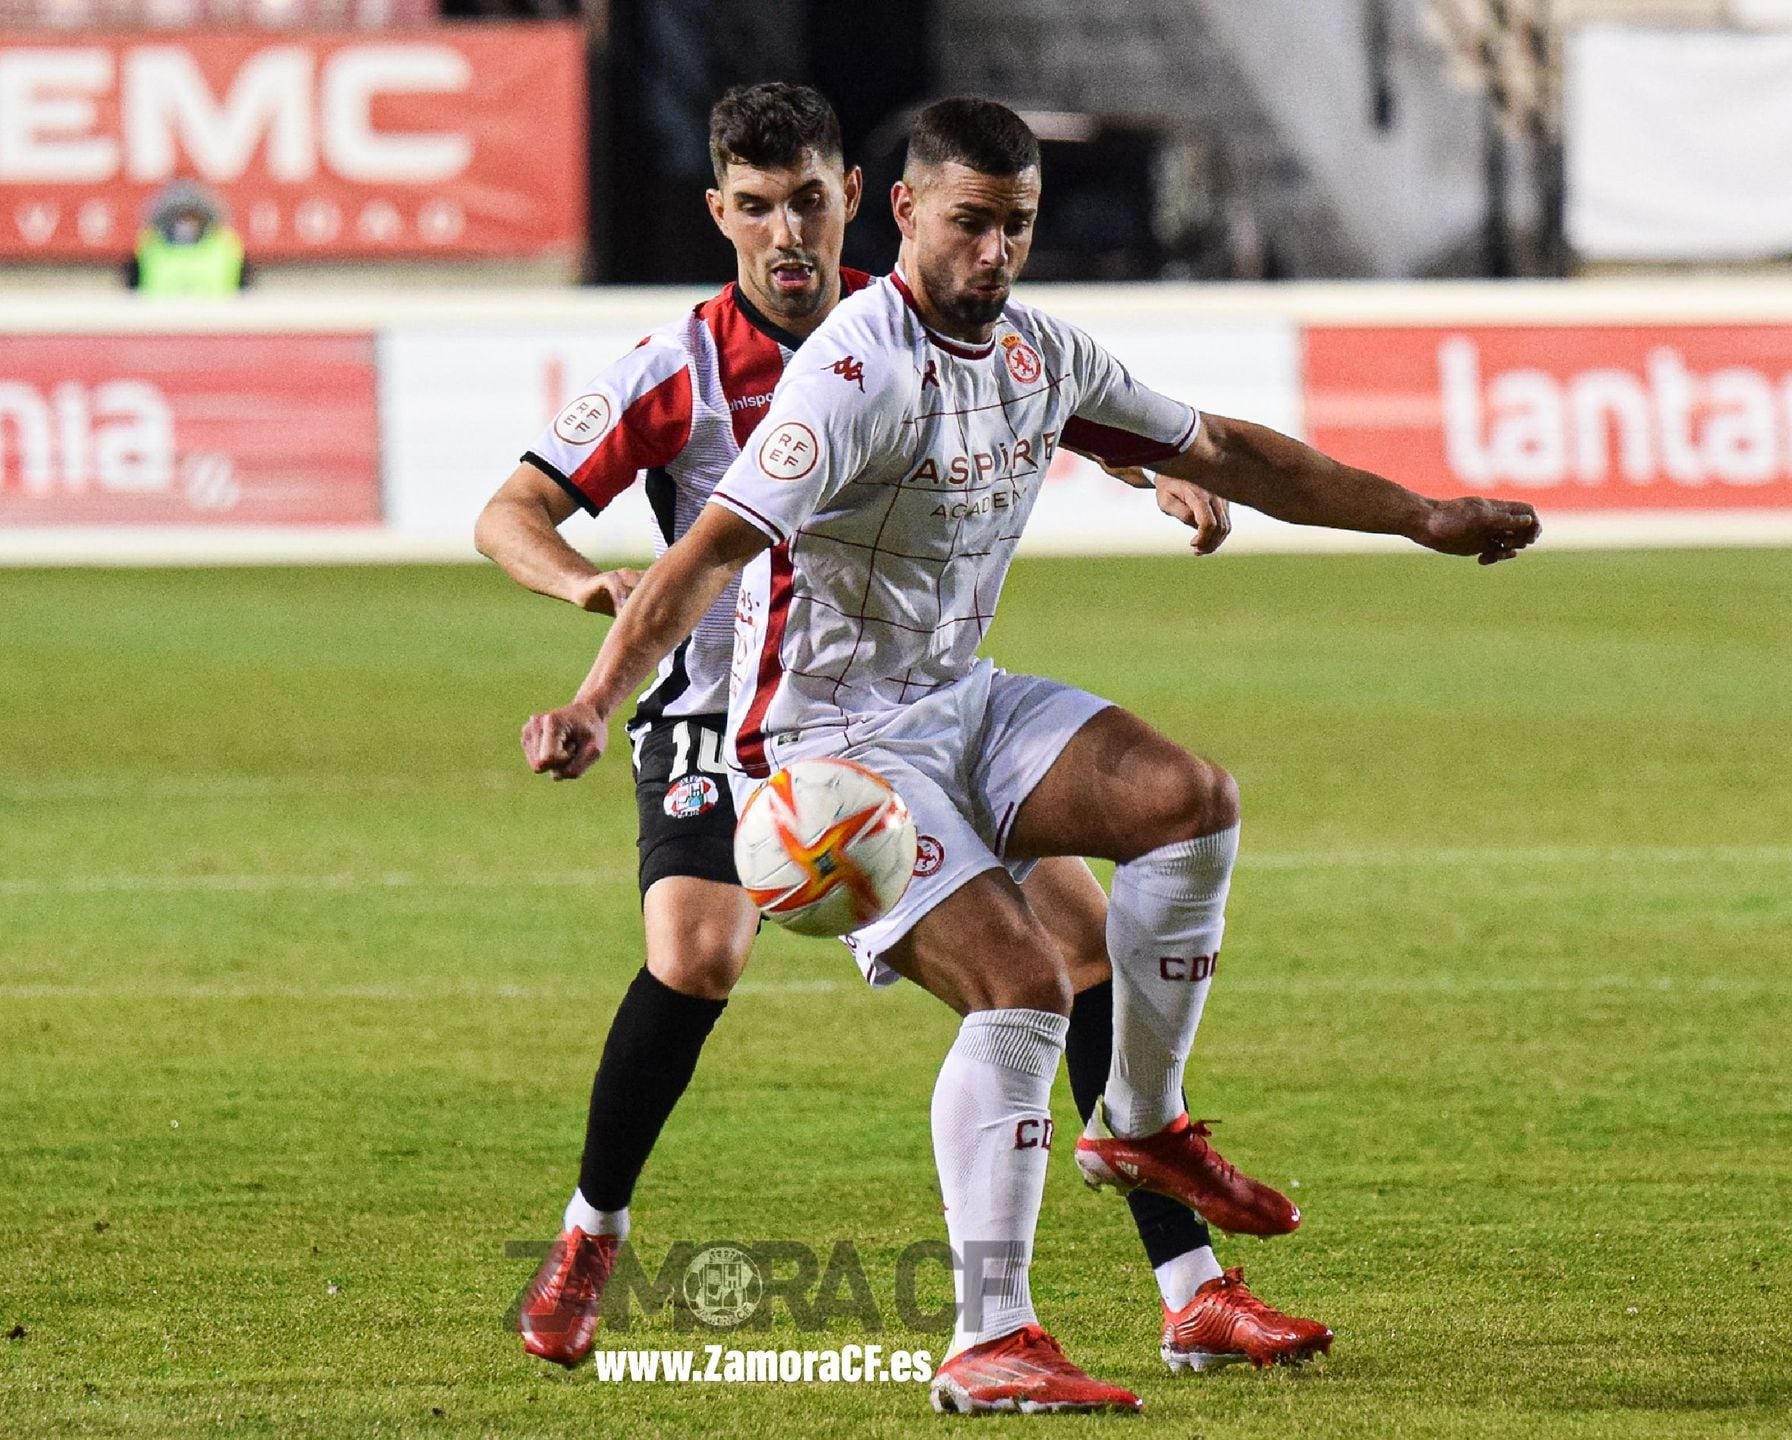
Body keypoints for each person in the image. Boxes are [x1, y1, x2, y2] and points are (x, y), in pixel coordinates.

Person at [523, 97, 1540, 1414]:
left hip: (960, 703)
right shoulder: (849, 371)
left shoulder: (1036, 349)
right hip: (829, 743)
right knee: (1012, 983)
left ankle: (1141, 1129)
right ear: (901, 212)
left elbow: (1226, 446)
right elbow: (705, 551)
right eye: (970, 224)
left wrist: (1421, 516)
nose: (996, 254)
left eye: (1017, 227)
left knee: (1190, 801)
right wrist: (600, 697)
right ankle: (986, 1335)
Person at [124, 181, 250, 297]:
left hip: (216, 320)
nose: (185, 224)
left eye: (192, 216)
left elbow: (244, 293)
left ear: (205, 219)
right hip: (160, 319)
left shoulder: (226, 246)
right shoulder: (149, 247)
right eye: (178, 216)